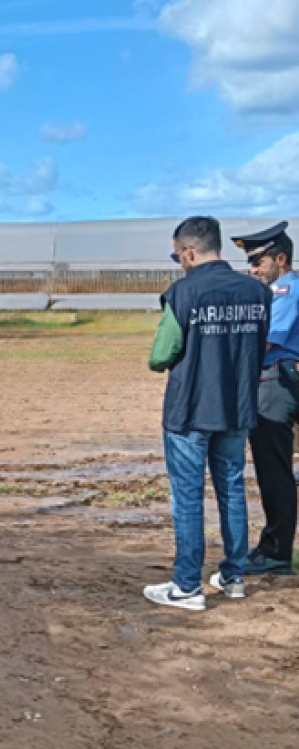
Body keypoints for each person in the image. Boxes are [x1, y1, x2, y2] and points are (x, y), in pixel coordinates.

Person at [146, 216, 272, 611]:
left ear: (187, 252)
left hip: (190, 411)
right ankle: (233, 576)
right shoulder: (258, 291)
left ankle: (187, 586)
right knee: (232, 489)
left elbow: (160, 355)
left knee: (187, 497)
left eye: (176, 255)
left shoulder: (183, 294)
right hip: (237, 408)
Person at [232, 222, 299, 576]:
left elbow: (267, 342)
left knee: (274, 472)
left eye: (259, 262)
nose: (253, 270)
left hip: (274, 383)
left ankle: (275, 552)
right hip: (280, 379)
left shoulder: (284, 290)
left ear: (281, 258)